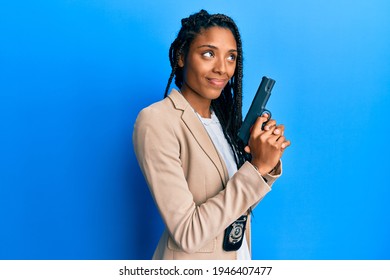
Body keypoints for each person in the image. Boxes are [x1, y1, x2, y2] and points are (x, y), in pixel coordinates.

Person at [133, 9, 291, 260]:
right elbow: (188, 233)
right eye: (208, 54)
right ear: (182, 57)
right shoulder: (157, 121)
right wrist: (256, 170)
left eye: (231, 57)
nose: (222, 69)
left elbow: (237, 208)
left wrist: (265, 164)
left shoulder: (224, 125)